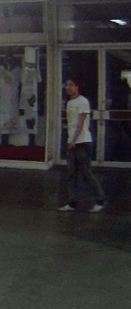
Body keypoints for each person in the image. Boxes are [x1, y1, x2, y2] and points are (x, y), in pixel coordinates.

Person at [59, 78, 107, 213]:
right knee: (71, 174)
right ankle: (71, 202)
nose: (68, 88)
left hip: (83, 142)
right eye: (66, 85)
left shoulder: (83, 101)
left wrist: (74, 140)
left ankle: (100, 200)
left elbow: (80, 124)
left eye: (71, 85)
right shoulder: (69, 103)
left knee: (86, 173)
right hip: (72, 142)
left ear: (77, 87)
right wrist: (70, 141)